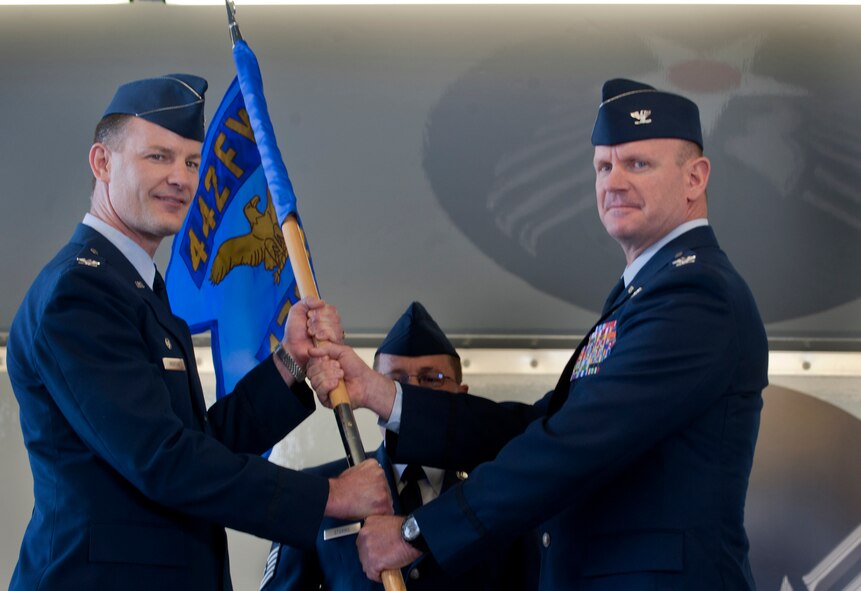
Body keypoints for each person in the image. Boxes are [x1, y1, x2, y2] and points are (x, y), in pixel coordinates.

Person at [307, 78, 769, 590]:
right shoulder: (646, 293)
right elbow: (537, 427)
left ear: (695, 178)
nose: (613, 181)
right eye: (603, 166)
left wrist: (418, 531)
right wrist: (381, 394)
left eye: (638, 164)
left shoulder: (696, 295)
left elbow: (571, 446)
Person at [5, 73, 391, 591]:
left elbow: (197, 443)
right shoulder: (80, 295)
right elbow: (163, 459)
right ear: (102, 163)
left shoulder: (137, 289)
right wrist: (330, 497)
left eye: (191, 161)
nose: (181, 178)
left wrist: (289, 363)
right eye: (157, 157)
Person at [260, 301, 538, 590]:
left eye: (432, 379)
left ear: (461, 396)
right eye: (396, 381)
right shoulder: (321, 489)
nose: (413, 390)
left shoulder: (499, 489)